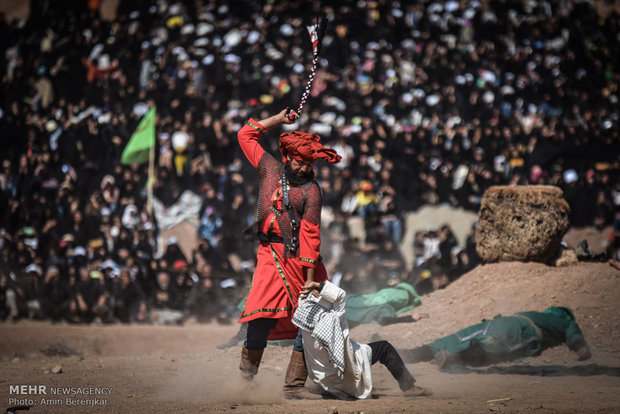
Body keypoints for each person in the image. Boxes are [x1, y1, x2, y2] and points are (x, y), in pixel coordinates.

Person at [236, 108, 341, 399]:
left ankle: (294, 386)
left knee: (312, 317)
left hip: (302, 262)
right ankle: (245, 383)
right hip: (270, 256)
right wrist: (280, 119)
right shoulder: (269, 169)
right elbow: (245, 134)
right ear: (287, 157)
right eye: (299, 161)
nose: (304, 168)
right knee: (260, 316)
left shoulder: (312, 191)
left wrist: (310, 280)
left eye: (309, 163)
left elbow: (310, 236)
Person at [292, 280, 432, 400]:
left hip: (324, 381)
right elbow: (340, 295)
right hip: (348, 375)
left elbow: (303, 299)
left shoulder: (302, 324)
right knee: (384, 347)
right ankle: (409, 387)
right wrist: (317, 285)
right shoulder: (334, 317)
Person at [399, 307, 592, 369]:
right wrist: (579, 345)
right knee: (487, 351)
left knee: (452, 340)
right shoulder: (560, 321)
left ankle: (400, 354)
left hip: (498, 323)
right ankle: (452, 359)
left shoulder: (538, 314)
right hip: (519, 332)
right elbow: (571, 328)